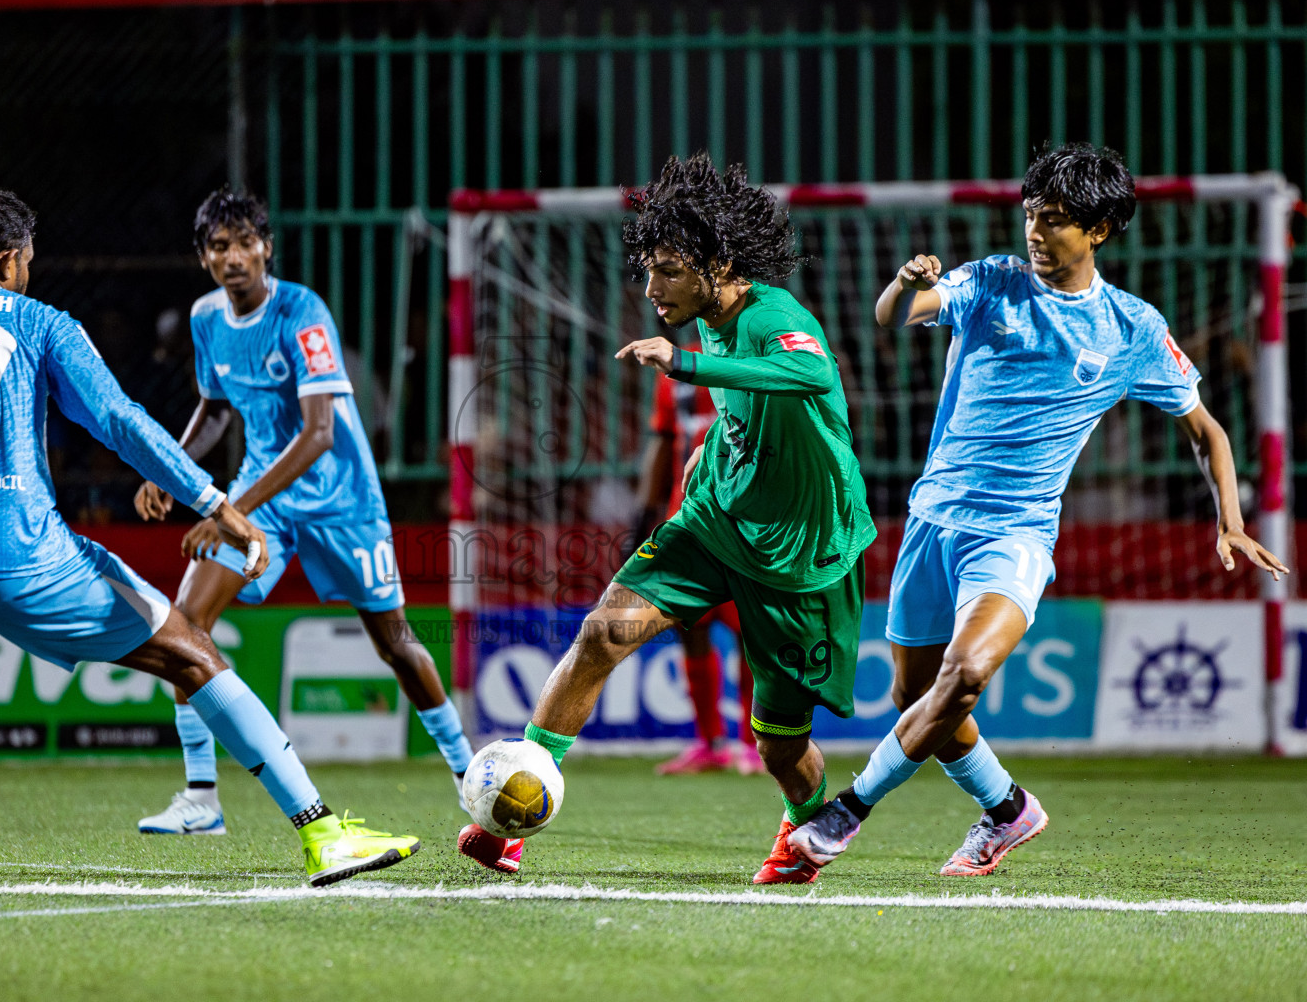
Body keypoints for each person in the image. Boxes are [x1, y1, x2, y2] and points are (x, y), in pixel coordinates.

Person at [0, 183, 420, 888]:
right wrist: (212, 500)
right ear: (8, 259)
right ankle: (323, 833)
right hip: (27, 556)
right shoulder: (39, 322)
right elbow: (118, 421)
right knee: (193, 655)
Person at [788, 144, 1289, 877]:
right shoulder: (991, 282)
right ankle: (1008, 810)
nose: (1035, 230)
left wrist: (1231, 518)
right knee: (915, 698)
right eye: (1030, 214)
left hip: (1017, 535)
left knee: (962, 678)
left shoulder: (1130, 328)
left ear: (1100, 231)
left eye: (1054, 221)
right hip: (933, 522)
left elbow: (1206, 429)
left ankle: (848, 811)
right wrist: (904, 282)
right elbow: (895, 314)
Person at [457, 153, 875, 883]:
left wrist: (684, 366)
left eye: (671, 271)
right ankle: (513, 819)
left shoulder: (774, 312)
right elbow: (750, 397)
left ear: (720, 263)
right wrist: (714, 434)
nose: (653, 290)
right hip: (714, 520)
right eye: (649, 270)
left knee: (778, 745)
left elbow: (809, 373)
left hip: (804, 553)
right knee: (599, 636)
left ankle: (806, 827)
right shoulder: (708, 313)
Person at [131, 189, 472, 835]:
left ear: (267, 247)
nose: (234, 257)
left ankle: (464, 770)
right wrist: (168, 471)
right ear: (203, 258)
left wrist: (224, 507)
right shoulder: (207, 319)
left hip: (342, 499)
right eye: (219, 246)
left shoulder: (302, 311)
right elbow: (215, 408)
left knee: (394, 643)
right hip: (266, 503)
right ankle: (201, 797)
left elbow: (318, 433)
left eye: (244, 242)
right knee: (183, 622)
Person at [639, 363, 759, 777]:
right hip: (686, 517)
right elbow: (663, 440)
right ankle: (709, 744)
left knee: (751, 630)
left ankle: (751, 743)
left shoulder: (755, 356)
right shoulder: (672, 368)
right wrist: (644, 517)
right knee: (691, 627)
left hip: (745, 519)